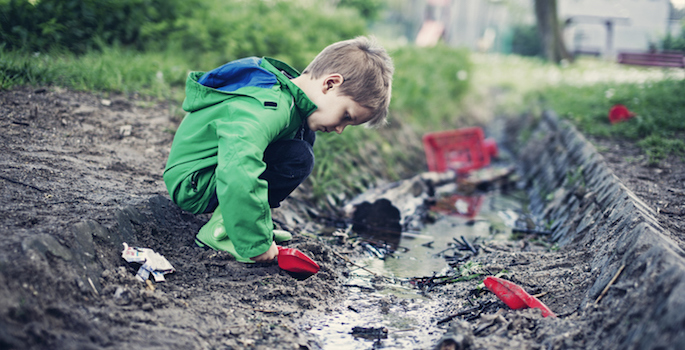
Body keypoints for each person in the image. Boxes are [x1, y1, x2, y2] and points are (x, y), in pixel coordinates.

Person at [163, 36, 394, 263]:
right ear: (330, 84)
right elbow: (239, 165)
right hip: (194, 183)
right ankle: (222, 232)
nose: (340, 129)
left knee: (303, 140)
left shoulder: (291, 101)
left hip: (212, 172)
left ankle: (242, 223)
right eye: (345, 116)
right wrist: (255, 243)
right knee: (298, 156)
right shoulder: (270, 105)